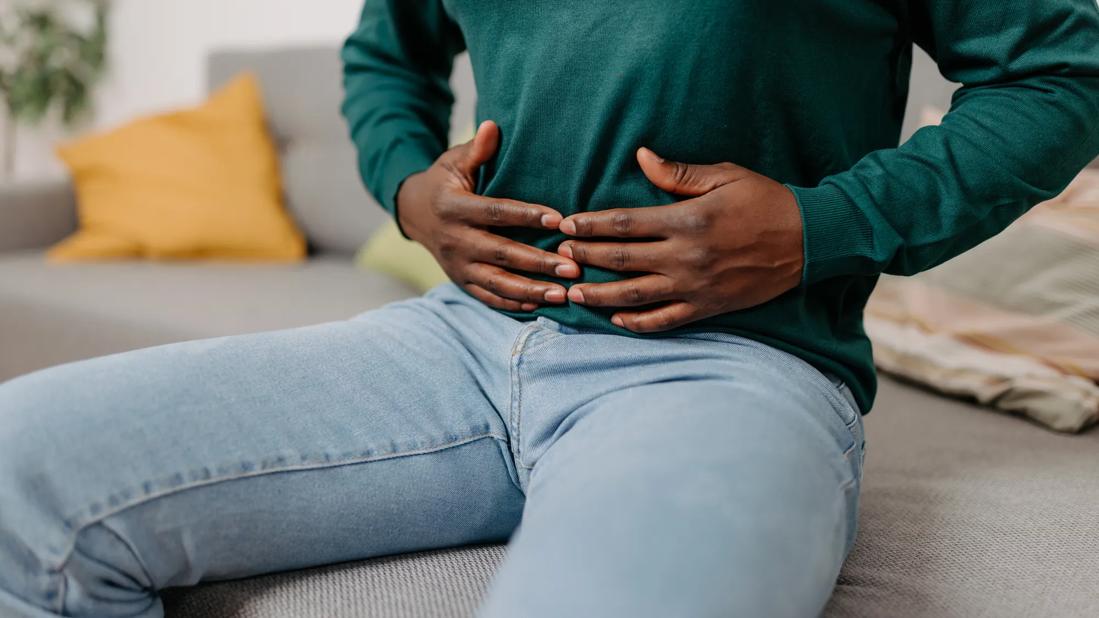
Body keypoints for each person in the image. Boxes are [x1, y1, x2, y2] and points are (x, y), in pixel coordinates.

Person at [2, 1, 1097, 616]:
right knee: (19, 471)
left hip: (724, 369)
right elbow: (388, 54)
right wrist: (408, 191)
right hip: (455, 345)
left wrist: (826, 225)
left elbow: (1065, 71)